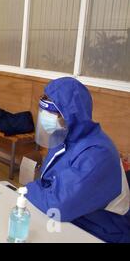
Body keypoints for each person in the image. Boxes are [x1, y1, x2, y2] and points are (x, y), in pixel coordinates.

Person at [26, 77, 130, 243]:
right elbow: (47, 184)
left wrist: (27, 190)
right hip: (73, 218)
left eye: (51, 114)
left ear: (71, 116)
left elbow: (59, 205)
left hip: (102, 230)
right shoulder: (63, 138)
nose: (46, 119)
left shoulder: (98, 154)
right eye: (44, 113)